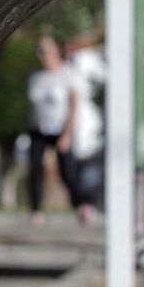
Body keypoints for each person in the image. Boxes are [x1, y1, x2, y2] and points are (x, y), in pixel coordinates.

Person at [25, 35, 94, 226]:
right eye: (39, 51)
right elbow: (32, 107)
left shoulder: (67, 74)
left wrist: (68, 134)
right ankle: (36, 211)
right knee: (34, 169)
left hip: (61, 129)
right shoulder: (36, 77)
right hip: (38, 129)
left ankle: (84, 205)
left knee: (67, 173)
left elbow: (74, 106)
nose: (42, 55)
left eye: (45, 50)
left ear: (56, 50)